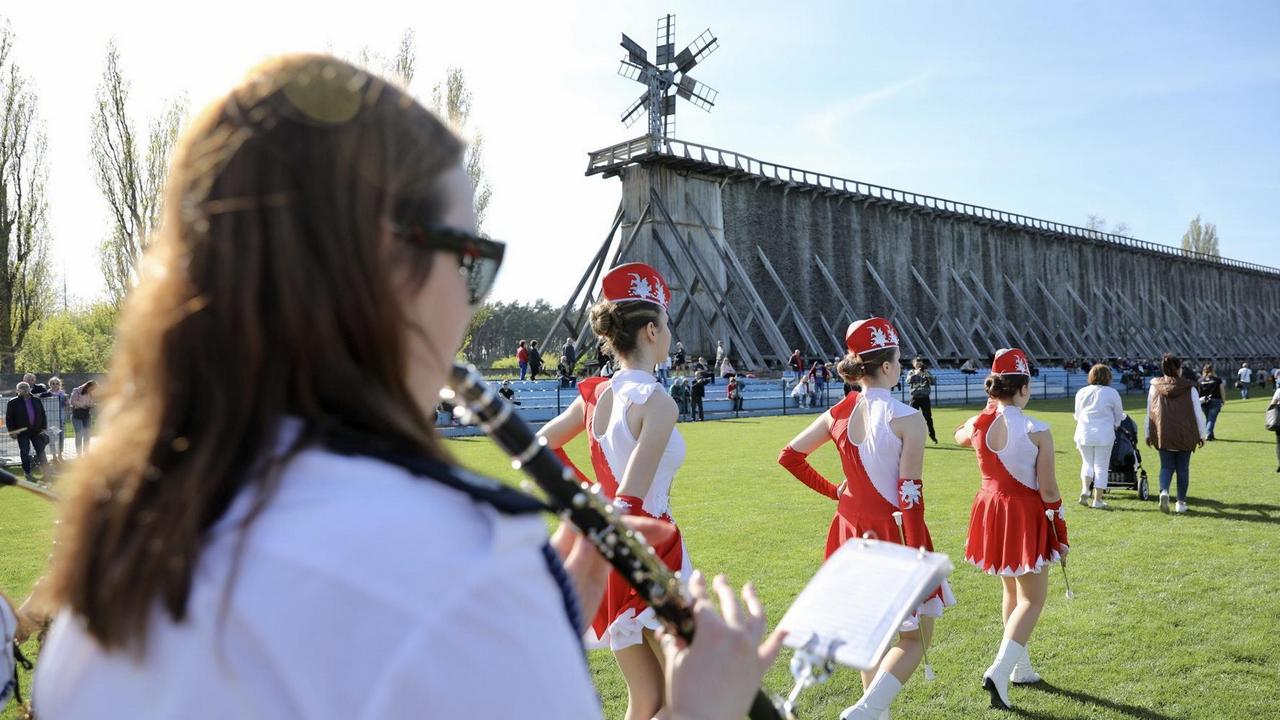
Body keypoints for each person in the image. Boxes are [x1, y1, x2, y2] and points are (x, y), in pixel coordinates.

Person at [32, 55, 779, 720]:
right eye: (471, 261)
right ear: (385, 274)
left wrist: (535, 620)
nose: (472, 302)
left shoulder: (119, 553)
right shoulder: (463, 573)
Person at [587, 262, 743, 720]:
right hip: (652, 550)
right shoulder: (657, 400)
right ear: (652, 331)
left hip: (615, 549)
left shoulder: (598, 395)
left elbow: (545, 448)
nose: (671, 334)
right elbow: (631, 501)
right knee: (689, 701)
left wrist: (586, 499)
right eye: (668, 325)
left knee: (647, 701)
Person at [778, 318, 954, 719]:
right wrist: (918, 549)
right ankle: (868, 708)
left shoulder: (837, 412)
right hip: (892, 528)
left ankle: (873, 712)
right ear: (889, 367)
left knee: (871, 634)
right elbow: (910, 493)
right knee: (916, 636)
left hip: (849, 530)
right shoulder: (907, 417)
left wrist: (835, 491)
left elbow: (789, 455)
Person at [955, 348, 1068, 711]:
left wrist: (988, 409)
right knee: (1032, 598)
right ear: (1022, 388)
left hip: (990, 508)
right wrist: (1059, 527)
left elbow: (959, 434)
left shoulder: (977, 423)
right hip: (1023, 511)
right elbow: (1048, 489)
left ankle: (1020, 666)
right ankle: (1001, 670)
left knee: (1012, 591)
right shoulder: (1037, 429)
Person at [1147, 353, 1207, 514]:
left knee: (1166, 467)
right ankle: (1181, 502)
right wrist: (1202, 434)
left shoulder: (1154, 386)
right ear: (1179, 369)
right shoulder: (1189, 387)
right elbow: (1197, 412)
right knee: (1183, 469)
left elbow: (1150, 411)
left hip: (1163, 432)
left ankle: (1164, 491)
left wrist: (1148, 432)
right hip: (1185, 433)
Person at [1072, 364, 1125, 509]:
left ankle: (1085, 489)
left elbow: (1077, 414)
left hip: (1084, 433)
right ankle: (1098, 500)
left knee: (1087, 463)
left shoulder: (1082, 392)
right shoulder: (1112, 393)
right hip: (1104, 434)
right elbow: (1119, 415)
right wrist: (1116, 424)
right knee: (1100, 466)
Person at [6, 381, 49, 482]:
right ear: (17, 390)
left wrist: (43, 428)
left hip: (37, 431)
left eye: (26, 387)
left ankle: (47, 473)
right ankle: (28, 473)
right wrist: (12, 431)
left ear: (30, 388)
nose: (24, 388)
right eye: (21, 387)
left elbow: (43, 414)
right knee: (25, 452)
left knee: (41, 452)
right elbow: (9, 418)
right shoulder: (13, 402)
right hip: (22, 432)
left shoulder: (36, 400)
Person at [906, 357, 938, 444]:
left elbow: (933, 382)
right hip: (914, 398)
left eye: (920, 361)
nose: (919, 363)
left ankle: (933, 436)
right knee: (911, 418)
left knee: (928, 418)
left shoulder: (927, 372)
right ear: (913, 364)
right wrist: (915, 374)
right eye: (917, 361)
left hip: (924, 398)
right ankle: (910, 438)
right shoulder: (911, 372)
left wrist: (928, 376)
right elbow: (908, 381)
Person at [1197, 364, 1226, 441]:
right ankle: (1208, 434)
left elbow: (1197, 391)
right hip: (1215, 400)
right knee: (1211, 419)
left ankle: (1211, 435)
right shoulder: (1217, 380)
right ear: (1213, 370)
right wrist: (1223, 400)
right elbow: (1222, 390)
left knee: (1208, 419)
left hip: (1203, 401)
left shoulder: (1200, 380)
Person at [45, 376, 69, 463]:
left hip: (61, 419)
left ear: (60, 384)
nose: (55, 385)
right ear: (50, 384)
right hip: (52, 419)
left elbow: (67, 406)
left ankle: (60, 455)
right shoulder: (47, 393)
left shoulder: (62, 394)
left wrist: (67, 401)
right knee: (52, 437)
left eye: (57, 383)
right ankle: (54, 455)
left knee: (61, 437)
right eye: (53, 383)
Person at [68, 380, 96, 455]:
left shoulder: (90, 393)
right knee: (79, 434)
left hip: (87, 415)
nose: (92, 390)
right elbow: (72, 402)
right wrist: (83, 405)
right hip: (77, 415)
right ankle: (79, 453)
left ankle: (86, 452)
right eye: (92, 388)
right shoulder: (76, 391)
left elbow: (92, 402)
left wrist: (92, 404)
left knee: (87, 434)